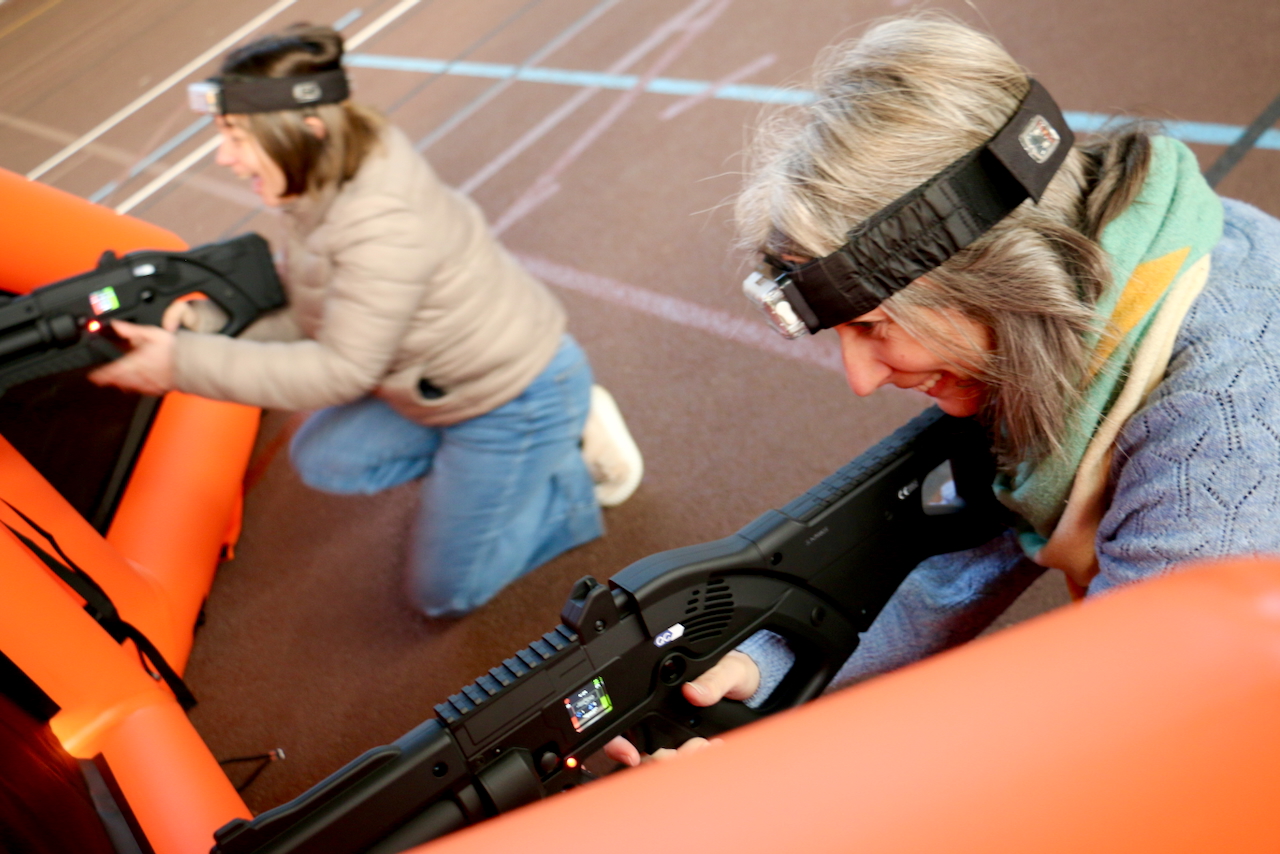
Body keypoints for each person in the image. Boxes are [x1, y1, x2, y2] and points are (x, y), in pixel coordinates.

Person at [607, 12, 1280, 765]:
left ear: (999, 277)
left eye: (875, 326)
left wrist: (756, 787)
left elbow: (1104, 744)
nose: (860, 379)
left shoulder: (1223, 444)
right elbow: (955, 565)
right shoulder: (1138, 265)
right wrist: (764, 671)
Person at [89, 24, 644, 618]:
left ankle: (568, 479)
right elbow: (313, 312)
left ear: (308, 127)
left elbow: (342, 370)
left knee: (443, 595)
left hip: (515, 397)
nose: (224, 156)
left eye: (237, 137)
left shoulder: (380, 221)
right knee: (325, 457)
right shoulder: (324, 180)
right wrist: (200, 325)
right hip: (439, 385)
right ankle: (497, 475)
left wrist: (181, 364)